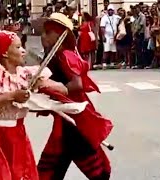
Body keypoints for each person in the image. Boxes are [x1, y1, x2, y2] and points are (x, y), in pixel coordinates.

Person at [0, 30, 67, 180]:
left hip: (17, 136)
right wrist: (11, 96)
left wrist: (43, 89)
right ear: (5, 53)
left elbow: (62, 89)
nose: (23, 51)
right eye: (18, 47)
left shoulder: (24, 75)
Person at [37, 13, 113, 180]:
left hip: (74, 117)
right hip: (65, 116)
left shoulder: (66, 55)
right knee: (54, 163)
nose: (43, 36)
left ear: (60, 35)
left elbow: (76, 84)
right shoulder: (55, 55)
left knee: (81, 158)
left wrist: (57, 88)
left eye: (48, 32)